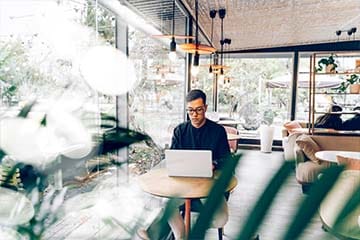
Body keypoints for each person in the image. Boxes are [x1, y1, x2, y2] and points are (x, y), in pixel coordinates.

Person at [169, 89, 231, 239]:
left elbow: (227, 160)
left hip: (209, 186)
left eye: (198, 110)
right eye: (190, 111)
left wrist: (214, 164)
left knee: (221, 218)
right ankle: (181, 236)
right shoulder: (180, 131)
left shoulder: (218, 131)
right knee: (165, 205)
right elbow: (173, 158)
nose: (194, 115)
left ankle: (188, 229)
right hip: (184, 186)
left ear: (206, 108)